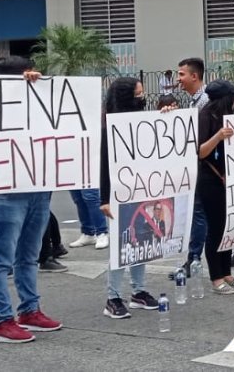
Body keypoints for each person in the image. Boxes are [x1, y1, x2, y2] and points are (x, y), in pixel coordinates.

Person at [0, 57, 65, 342]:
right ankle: (1, 321)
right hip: (6, 190)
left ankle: (29, 311)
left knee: (29, 256)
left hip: (39, 187)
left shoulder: (41, 106)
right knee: (1, 258)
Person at [98, 77, 161, 318]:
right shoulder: (109, 128)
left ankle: (139, 291)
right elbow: (104, 165)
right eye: (138, 94)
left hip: (140, 191)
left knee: (140, 241)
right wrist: (104, 198)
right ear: (126, 97)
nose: (142, 99)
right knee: (119, 246)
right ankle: (112, 297)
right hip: (117, 194)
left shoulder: (142, 122)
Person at [196, 79, 234, 294]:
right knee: (216, 229)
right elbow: (200, 151)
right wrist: (218, 135)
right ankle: (216, 277)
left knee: (229, 228)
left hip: (229, 178)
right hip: (210, 179)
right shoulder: (205, 115)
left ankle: (227, 272)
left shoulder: (229, 115)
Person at [178, 57, 209, 274]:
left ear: (194, 76)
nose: (178, 79)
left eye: (181, 74)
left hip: (205, 164)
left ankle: (194, 257)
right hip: (200, 163)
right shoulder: (194, 101)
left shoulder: (204, 101)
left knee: (200, 212)